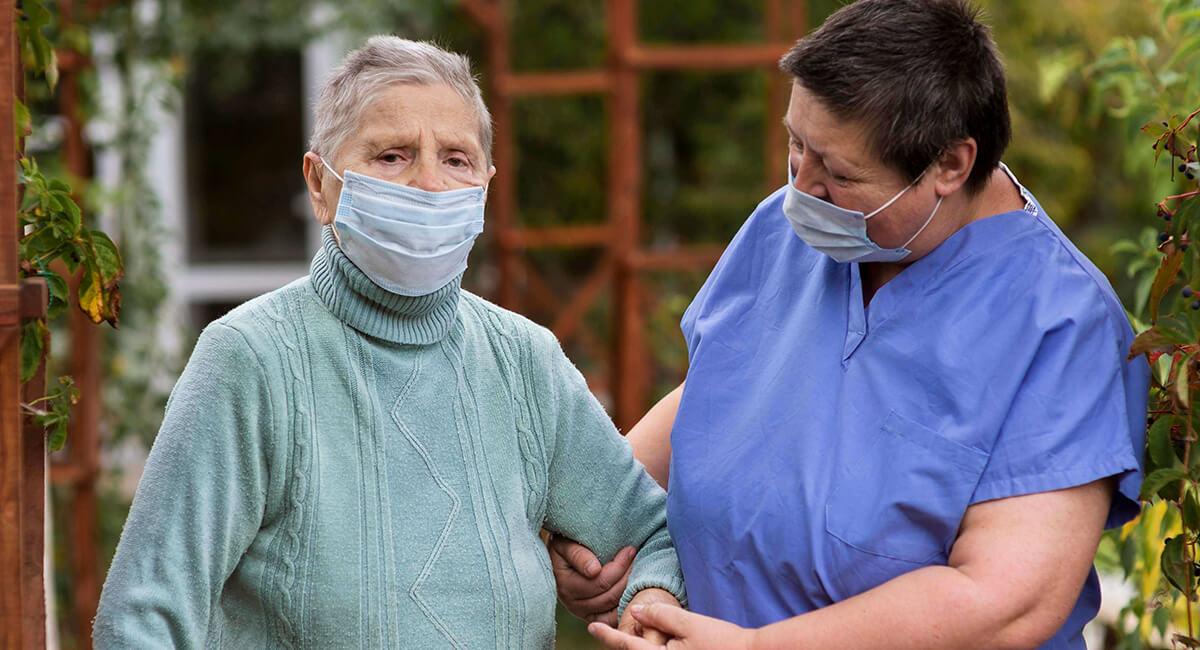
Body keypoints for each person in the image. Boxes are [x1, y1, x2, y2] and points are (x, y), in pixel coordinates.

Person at [560, 1, 1150, 648]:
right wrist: (598, 525)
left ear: (951, 166)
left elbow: (1004, 600)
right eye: (795, 143)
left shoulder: (1061, 325)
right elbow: (724, 392)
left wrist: (759, 648)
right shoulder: (785, 228)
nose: (802, 187)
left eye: (839, 172)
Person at [93, 36, 684, 648]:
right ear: (319, 184)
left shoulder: (523, 362)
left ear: (486, 184)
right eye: (392, 156)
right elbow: (143, 617)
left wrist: (649, 596)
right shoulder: (252, 360)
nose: (428, 184)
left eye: (456, 159)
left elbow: (654, 536)